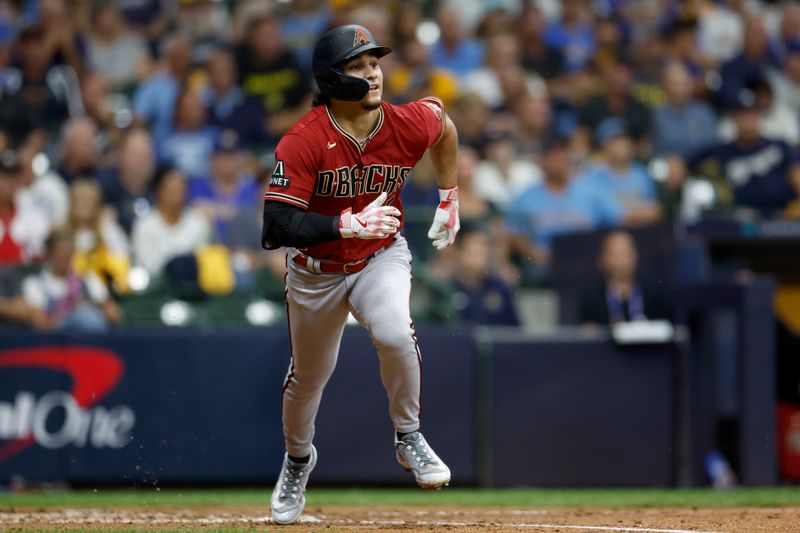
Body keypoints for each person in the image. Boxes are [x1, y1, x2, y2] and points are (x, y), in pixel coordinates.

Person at [261, 24, 458, 525]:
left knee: (395, 332)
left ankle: (408, 435)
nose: (372, 72)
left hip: (378, 255)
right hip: (316, 272)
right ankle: (299, 460)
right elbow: (275, 226)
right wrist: (342, 223)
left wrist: (449, 197)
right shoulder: (305, 139)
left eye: (374, 62)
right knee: (308, 379)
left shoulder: (404, 122)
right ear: (332, 79)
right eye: (357, 66)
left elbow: (444, 126)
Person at [22, 229, 122, 332]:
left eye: (70, 252)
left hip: (90, 342)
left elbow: (114, 316)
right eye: (61, 252)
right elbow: (41, 324)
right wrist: (71, 310)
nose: (66, 257)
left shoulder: (88, 280)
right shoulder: (35, 284)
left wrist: (100, 309)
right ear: (50, 254)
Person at [577, 230, 672, 325]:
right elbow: (586, 332)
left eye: (626, 252)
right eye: (616, 254)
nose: (623, 259)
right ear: (603, 259)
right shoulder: (591, 299)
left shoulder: (653, 295)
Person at [131, 166, 211, 277]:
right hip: (156, 288)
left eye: (180, 191)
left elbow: (203, 260)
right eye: (171, 192)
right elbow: (147, 265)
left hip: (192, 287)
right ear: (159, 192)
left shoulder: (198, 222)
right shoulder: (144, 225)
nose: (176, 197)